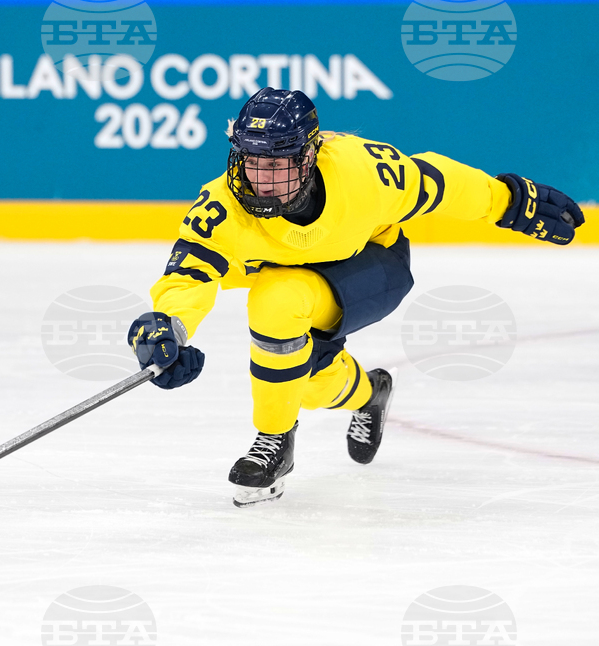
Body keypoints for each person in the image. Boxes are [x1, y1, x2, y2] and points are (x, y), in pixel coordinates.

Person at [126, 87, 585, 507]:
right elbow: (188, 274)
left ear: (308, 158)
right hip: (303, 282)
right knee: (304, 386)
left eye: (277, 164)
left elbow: (436, 181)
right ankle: (370, 393)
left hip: (373, 263)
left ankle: (274, 443)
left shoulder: (363, 175)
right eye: (252, 162)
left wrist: (508, 201)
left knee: (274, 300)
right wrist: (167, 325)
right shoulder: (221, 204)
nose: (261, 180)